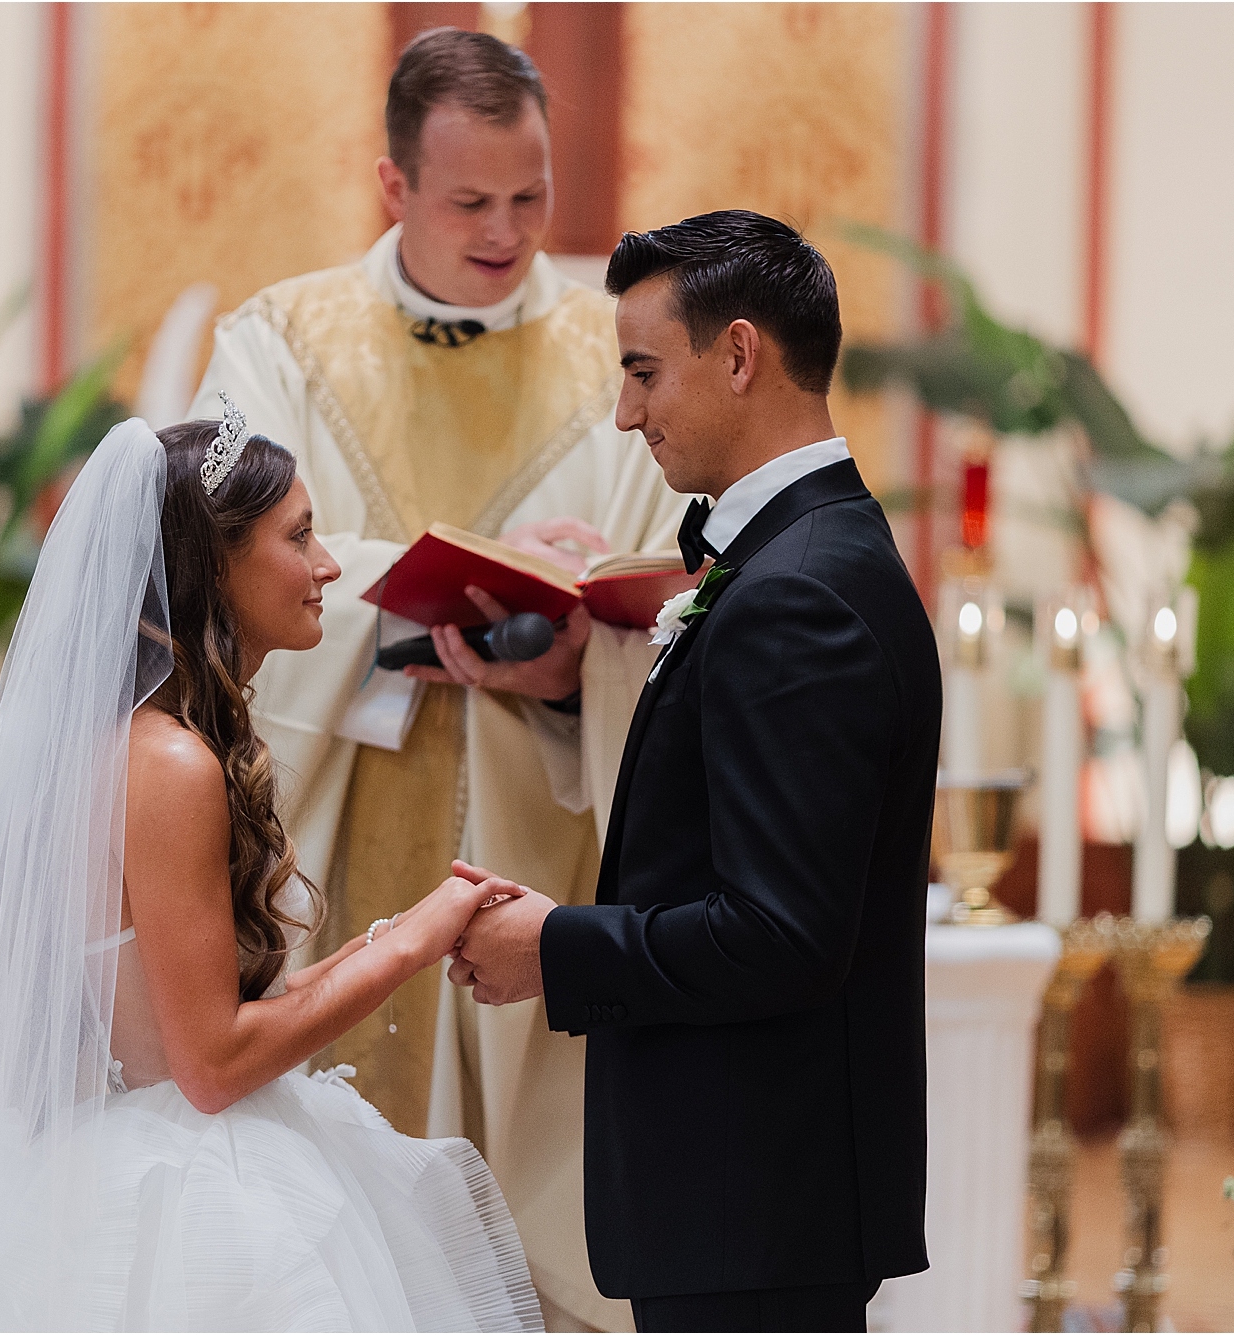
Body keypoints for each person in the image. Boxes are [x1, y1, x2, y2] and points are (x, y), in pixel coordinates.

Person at [0, 406, 543, 1332]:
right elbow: (210, 1064)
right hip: (195, 1177)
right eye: (299, 536)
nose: (329, 566)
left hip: (119, 1137)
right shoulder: (168, 765)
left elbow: (211, 1015)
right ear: (212, 566)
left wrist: (415, 922)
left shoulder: (132, 746)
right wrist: (412, 943)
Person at [190, 26, 682, 1328]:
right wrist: (424, 589)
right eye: (471, 200)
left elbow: (656, 592)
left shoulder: (613, 358)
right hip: (330, 808)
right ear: (393, 186)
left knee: (518, 1250)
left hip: (530, 826)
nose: (509, 231)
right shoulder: (281, 339)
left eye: (533, 197)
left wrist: (580, 665)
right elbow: (218, 560)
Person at [448, 211, 943, 1333]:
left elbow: (780, 935)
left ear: (735, 354)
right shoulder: (793, 559)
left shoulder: (793, 595)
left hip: (751, 1193)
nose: (624, 413)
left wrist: (554, 947)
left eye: (640, 372)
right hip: (749, 1199)